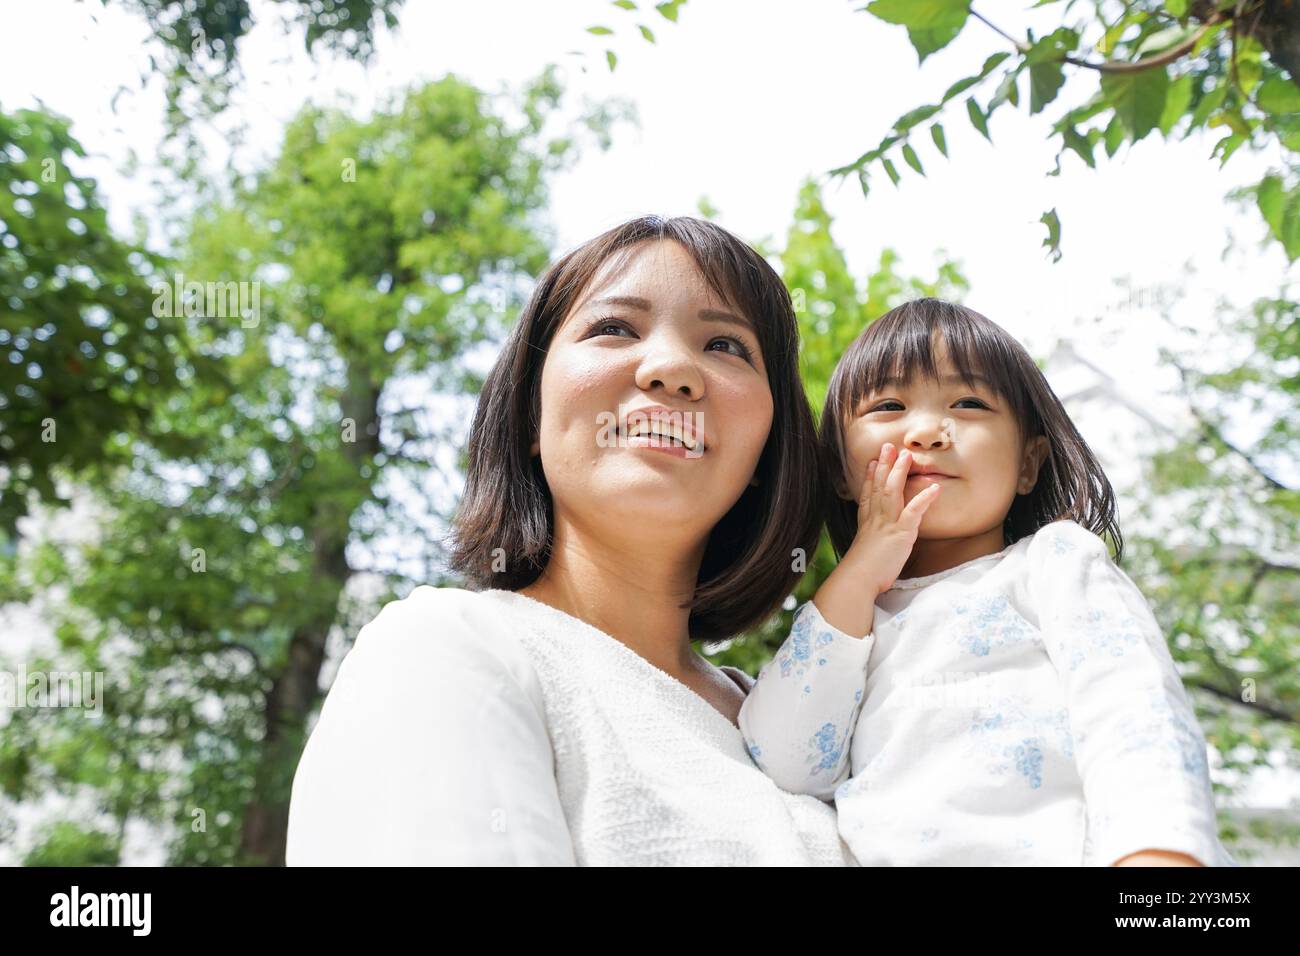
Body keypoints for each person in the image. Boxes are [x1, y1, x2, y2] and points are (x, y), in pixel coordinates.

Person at [286, 215, 855, 865]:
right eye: (614, 327)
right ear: (531, 414)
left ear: (767, 450)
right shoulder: (453, 650)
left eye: (726, 345)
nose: (672, 368)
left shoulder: (794, 725)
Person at [737, 298, 1237, 867]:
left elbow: (1132, 705)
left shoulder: (1053, 564)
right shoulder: (846, 630)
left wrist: (1158, 854)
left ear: (1028, 464)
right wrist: (858, 574)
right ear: (839, 473)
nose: (925, 431)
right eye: (889, 405)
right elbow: (786, 762)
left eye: (969, 403)